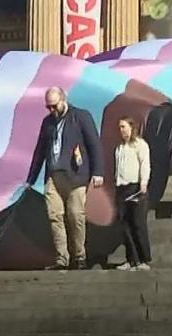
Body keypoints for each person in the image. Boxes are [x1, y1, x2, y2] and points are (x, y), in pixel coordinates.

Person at [25, 86, 104, 271]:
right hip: (53, 175)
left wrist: (98, 171)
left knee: (76, 215)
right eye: (48, 107)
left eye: (54, 106)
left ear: (63, 99)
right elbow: (39, 151)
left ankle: (80, 256)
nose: (51, 110)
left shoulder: (81, 117)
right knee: (55, 216)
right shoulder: (48, 123)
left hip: (76, 176)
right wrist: (31, 178)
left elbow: (94, 144)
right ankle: (62, 258)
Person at [113, 118, 151, 271]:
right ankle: (131, 259)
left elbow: (145, 164)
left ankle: (143, 259)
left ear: (131, 127)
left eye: (123, 126)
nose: (121, 130)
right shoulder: (119, 147)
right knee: (125, 225)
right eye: (119, 127)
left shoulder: (140, 145)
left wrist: (143, 183)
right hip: (121, 188)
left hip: (135, 186)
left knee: (138, 223)